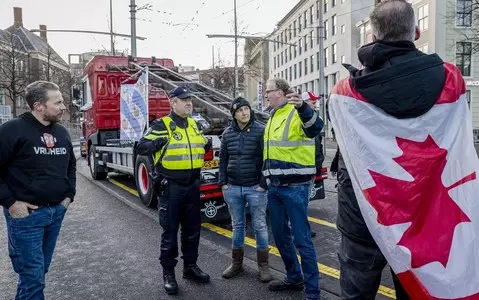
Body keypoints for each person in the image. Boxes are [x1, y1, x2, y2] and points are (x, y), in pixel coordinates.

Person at [328, 0, 446, 298]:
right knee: (417, 291)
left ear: (372, 37)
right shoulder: (449, 81)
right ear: (416, 32)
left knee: (357, 292)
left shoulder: (345, 93)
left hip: (363, 214)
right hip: (421, 213)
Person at [0, 81, 76, 300]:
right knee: (32, 277)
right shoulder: (12, 130)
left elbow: (71, 166)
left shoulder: (61, 132)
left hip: (56, 213)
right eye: (58, 102)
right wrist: (12, 204)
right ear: (38, 105)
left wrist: (69, 196)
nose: (64, 107)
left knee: (37, 272)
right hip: (26, 218)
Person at [137, 86, 212, 295]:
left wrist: (204, 146)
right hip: (172, 187)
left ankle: (190, 267)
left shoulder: (195, 125)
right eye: (184, 100)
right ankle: (168, 273)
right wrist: (155, 144)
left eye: (190, 100)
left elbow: (200, 146)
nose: (189, 103)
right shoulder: (162, 124)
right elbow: (140, 146)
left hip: (193, 186)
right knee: (169, 232)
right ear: (173, 103)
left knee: (192, 230)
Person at [262, 78, 324, 300]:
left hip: (296, 187)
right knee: (280, 236)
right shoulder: (272, 116)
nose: (265, 95)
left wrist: (303, 107)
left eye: (268, 91)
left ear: (279, 92)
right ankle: (294, 277)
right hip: (275, 188)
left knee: (302, 240)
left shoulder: (295, 111)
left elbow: (316, 127)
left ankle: (313, 293)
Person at [218, 97, 272, 282]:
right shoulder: (227, 134)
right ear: (234, 114)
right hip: (232, 187)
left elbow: (267, 158)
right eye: (240, 110)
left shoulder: (260, 130)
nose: (244, 112)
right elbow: (223, 159)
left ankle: (263, 266)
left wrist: (263, 184)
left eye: (246, 109)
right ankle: (237, 264)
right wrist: (223, 183)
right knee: (238, 226)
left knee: (259, 225)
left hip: (255, 188)